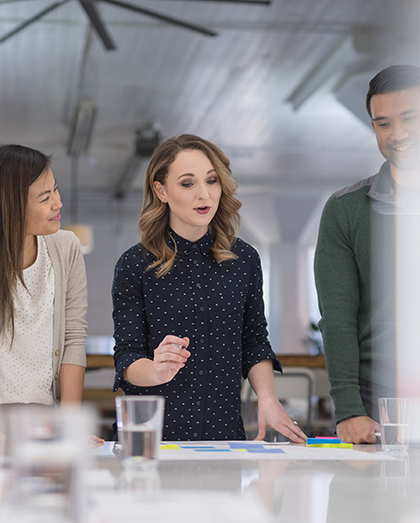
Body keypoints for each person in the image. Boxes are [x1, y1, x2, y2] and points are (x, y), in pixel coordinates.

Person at [112, 134, 307, 443]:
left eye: (212, 181)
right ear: (161, 190)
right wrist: (157, 370)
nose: (204, 194)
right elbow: (127, 357)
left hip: (224, 439)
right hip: (153, 440)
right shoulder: (135, 264)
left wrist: (268, 399)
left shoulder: (244, 260)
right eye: (187, 184)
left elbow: (255, 342)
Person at [314, 64, 420, 444]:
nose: (398, 134)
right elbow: (338, 317)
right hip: (378, 401)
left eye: (409, 118)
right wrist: (349, 409)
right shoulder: (345, 210)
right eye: (383, 123)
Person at [0, 144, 89, 406]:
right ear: (12, 207)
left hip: (44, 415)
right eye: (44, 198)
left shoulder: (66, 247)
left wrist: (68, 424)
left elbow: (74, 337)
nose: (58, 203)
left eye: (56, 189)